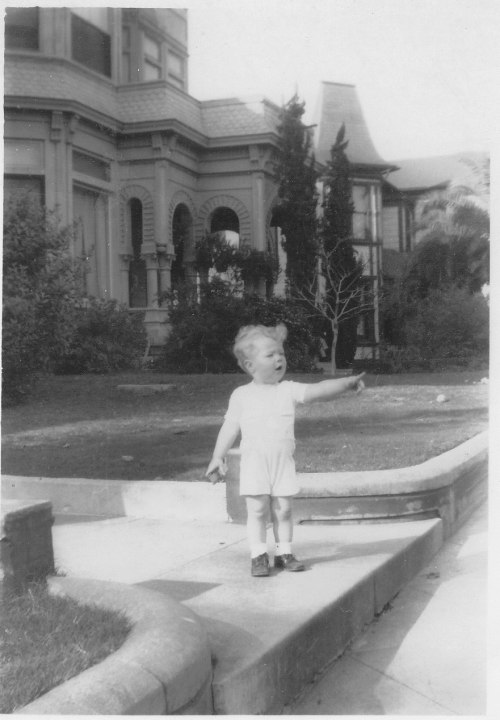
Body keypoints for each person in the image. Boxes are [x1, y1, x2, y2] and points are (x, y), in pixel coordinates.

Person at [205, 323, 365, 577]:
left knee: (284, 510)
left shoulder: (288, 389)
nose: (279, 358)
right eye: (270, 355)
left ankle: (284, 552)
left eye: (281, 353)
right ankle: (258, 555)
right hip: (255, 464)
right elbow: (230, 427)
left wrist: (344, 383)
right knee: (257, 510)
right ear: (250, 365)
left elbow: (317, 390)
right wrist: (217, 456)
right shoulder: (241, 395)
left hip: (282, 463)